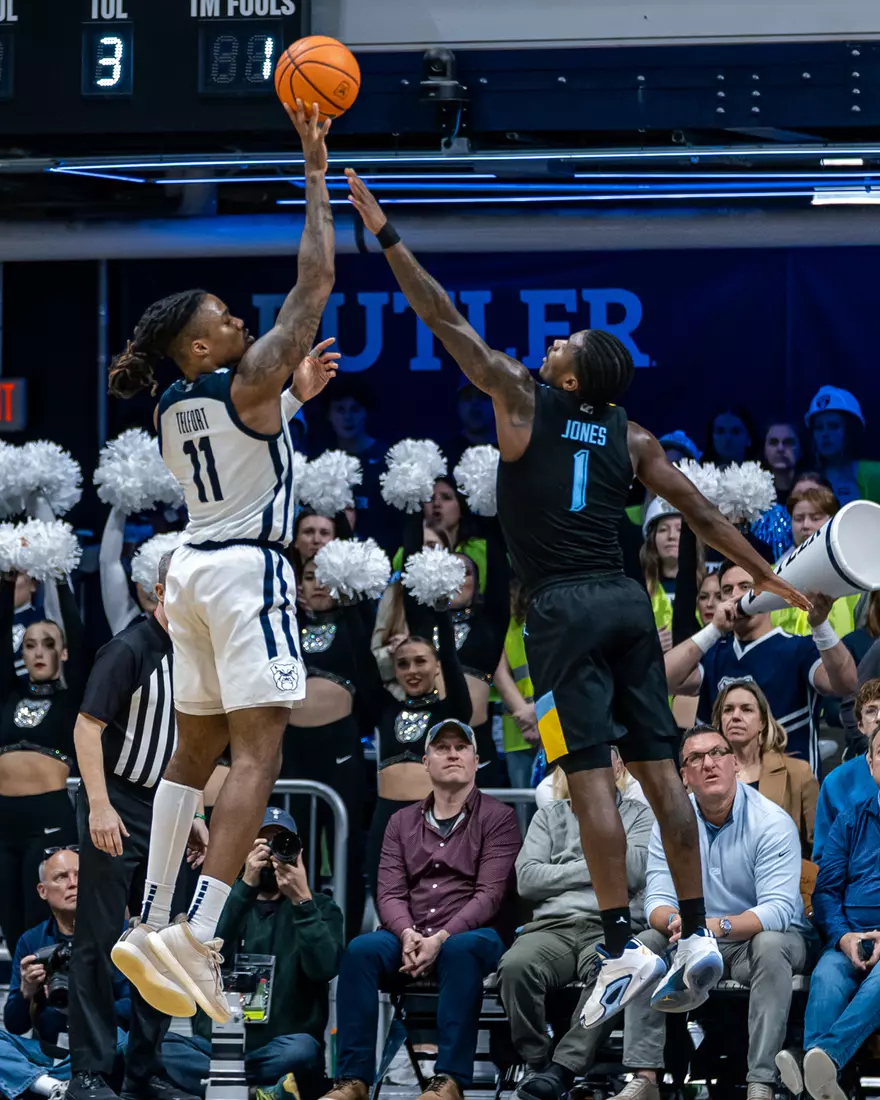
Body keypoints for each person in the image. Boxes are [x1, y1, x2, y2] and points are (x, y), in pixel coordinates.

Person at [346, 168, 810, 1023]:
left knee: (588, 773)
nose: (554, 341)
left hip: (559, 609)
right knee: (660, 765)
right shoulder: (631, 436)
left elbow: (444, 319)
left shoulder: (521, 399)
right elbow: (701, 512)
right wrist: (774, 574)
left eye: (565, 342)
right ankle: (700, 932)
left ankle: (618, 944)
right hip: (626, 602)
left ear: (570, 376)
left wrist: (386, 235)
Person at [106, 102, 337, 1024]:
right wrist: (315, 171)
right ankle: (199, 933)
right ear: (199, 347)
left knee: (191, 751)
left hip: (190, 569)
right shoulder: (245, 380)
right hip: (246, 574)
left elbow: (241, 440)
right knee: (258, 751)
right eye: (224, 318)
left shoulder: (172, 409)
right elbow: (313, 283)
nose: (242, 320)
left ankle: (149, 917)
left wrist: (291, 401)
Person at [321, 719, 520, 1100]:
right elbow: (389, 893)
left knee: (459, 951)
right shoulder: (400, 821)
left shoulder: (499, 817)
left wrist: (441, 938)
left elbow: (490, 894)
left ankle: (450, 1081)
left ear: (476, 761)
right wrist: (408, 934)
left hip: (475, 937)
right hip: (411, 935)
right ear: (425, 762)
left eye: (460, 748)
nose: (451, 754)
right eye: (442, 748)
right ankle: (353, 1080)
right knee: (361, 951)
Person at [67, 551, 203, 1100]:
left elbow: (190, 746)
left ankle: (145, 1071)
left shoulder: (198, 653)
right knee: (98, 940)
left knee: (162, 943)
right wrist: (99, 806)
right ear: (159, 591)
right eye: (179, 588)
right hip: (116, 799)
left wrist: (193, 811)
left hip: (168, 803)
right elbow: (85, 727)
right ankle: (90, 1070)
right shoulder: (129, 647)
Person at [616, 725, 814, 1100]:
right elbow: (655, 900)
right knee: (645, 942)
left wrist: (713, 926)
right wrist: (676, 922)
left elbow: (779, 910)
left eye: (718, 754)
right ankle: (645, 1079)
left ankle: (761, 1081)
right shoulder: (670, 824)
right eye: (695, 758)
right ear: (684, 776)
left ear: (735, 763)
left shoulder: (770, 822)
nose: (709, 764)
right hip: (693, 939)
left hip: (754, 943)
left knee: (772, 944)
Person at [163, 807, 343, 1099]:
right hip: (217, 1048)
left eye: (280, 844)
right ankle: (256, 1094)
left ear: (296, 851)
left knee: (303, 1050)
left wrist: (302, 900)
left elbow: (324, 968)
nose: (272, 855)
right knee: (157, 1046)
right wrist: (244, 885)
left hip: (280, 1052)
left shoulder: (321, 907)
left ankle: (224, 1087)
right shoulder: (220, 903)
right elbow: (207, 953)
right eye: (262, 845)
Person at [498, 770, 654, 1100]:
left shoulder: (640, 814)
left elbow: (636, 870)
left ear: (619, 768)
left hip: (610, 923)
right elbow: (526, 879)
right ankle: (537, 1063)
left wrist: (560, 873)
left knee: (616, 971)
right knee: (515, 966)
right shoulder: (549, 815)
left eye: (601, 757)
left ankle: (563, 1069)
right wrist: (596, 868)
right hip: (551, 927)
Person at [665, 561, 858, 772]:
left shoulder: (798, 649)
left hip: (789, 793)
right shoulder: (714, 653)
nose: (736, 596)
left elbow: (846, 684)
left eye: (745, 587)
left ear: (768, 592)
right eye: (727, 590)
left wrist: (820, 625)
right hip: (725, 794)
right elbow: (661, 680)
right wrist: (714, 630)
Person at [776, 720, 880, 1100]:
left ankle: (816, 1057)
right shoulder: (849, 822)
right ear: (870, 764)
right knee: (826, 979)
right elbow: (825, 893)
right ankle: (822, 1078)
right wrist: (843, 936)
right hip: (850, 936)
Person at [282, 556, 378, 938]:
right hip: (292, 748)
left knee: (347, 844)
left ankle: (348, 936)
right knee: (291, 844)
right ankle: (293, 935)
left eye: (326, 578)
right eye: (309, 577)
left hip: (340, 747)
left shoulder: (354, 624)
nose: (318, 584)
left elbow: (369, 683)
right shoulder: (288, 627)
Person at [0, 569, 86, 959]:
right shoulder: (7, 694)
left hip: (46, 818)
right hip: (4, 821)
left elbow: (80, 637)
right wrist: (6, 582)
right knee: (10, 922)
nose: (37, 652)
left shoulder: (71, 699)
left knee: (41, 924)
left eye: (48, 644)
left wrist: (60, 577)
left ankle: (52, 1015)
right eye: (30, 645)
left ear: (62, 652)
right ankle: (22, 1012)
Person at [364, 603, 473, 901]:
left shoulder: (452, 710)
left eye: (420, 662)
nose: (412, 671)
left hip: (435, 817)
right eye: (403, 664)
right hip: (385, 817)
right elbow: (364, 665)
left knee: (434, 900)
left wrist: (441, 613)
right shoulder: (385, 707)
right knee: (385, 897)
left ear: (436, 666)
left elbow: (450, 656)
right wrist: (354, 605)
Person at [2, 848, 129, 1100]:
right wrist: (27, 992)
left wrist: (83, 1005)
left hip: (107, 1047)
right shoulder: (32, 942)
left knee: (147, 1040)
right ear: (42, 891)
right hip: (51, 1052)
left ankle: (40, 1080)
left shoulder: (119, 934)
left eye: (80, 876)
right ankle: (53, 1087)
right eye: (61, 877)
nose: (73, 884)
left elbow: (133, 1009)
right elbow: (15, 1025)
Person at [710, 679, 818, 858]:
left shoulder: (798, 773)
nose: (735, 716)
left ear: (762, 722)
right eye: (728, 710)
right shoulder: (703, 775)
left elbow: (818, 847)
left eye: (746, 709)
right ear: (720, 721)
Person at [813, 680, 880, 862]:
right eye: (871, 711)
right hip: (856, 886)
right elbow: (824, 857)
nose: (879, 717)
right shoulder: (836, 782)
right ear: (859, 725)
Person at [325, 376, 394, 550]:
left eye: (354, 409)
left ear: (366, 412)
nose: (348, 417)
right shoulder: (322, 463)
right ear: (329, 415)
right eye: (340, 410)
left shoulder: (387, 459)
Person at [494, 579, 540, 808]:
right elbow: (499, 672)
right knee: (525, 816)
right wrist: (528, 719)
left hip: (559, 724)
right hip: (519, 729)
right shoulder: (504, 617)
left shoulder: (560, 609)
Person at [804, 385, 880, 505]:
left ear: (851, 431)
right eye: (819, 427)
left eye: (833, 426)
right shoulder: (805, 479)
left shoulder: (875, 475)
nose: (825, 434)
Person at [750, 420, 802, 560]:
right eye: (773, 442)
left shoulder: (812, 490)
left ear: (801, 448)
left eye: (788, 442)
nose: (780, 448)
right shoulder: (748, 496)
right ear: (764, 449)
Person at [639, 499, 684, 645]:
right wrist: (647, 643)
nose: (672, 536)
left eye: (680, 529)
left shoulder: (708, 587)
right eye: (663, 529)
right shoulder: (638, 591)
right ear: (652, 539)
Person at [448, 379, 497, 466]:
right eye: (467, 397)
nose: (475, 403)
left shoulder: (512, 455)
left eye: (483, 396)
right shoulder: (444, 456)